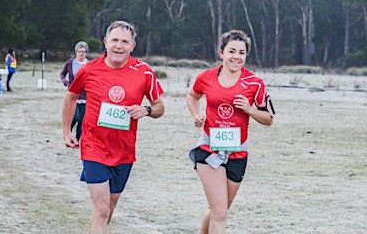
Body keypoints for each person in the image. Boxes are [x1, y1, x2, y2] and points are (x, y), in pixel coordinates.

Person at [62, 20, 165, 233]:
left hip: (124, 151)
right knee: (101, 209)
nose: (119, 46)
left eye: (125, 42)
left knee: (108, 209)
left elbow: (159, 107)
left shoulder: (143, 71)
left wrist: (145, 110)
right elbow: (71, 97)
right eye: (115, 40)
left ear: (132, 46)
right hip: (93, 147)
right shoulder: (89, 69)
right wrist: (66, 131)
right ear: (106, 42)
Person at [186, 29, 275, 233]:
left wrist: (249, 109)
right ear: (221, 52)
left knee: (221, 209)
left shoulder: (255, 83)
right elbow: (192, 95)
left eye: (241, 53)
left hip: (238, 152)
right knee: (220, 212)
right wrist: (196, 115)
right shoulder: (206, 78)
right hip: (209, 149)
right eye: (232, 51)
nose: (236, 57)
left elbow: (268, 119)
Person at [59, 41, 90, 143]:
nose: (81, 53)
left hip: (85, 96)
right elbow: (62, 74)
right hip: (73, 94)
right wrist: (64, 81)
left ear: (86, 53)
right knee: (75, 117)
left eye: (83, 51)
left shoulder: (89, 64)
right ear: (76, 52)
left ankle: (76, 140)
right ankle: (68, 133)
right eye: (79, 51)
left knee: (82, 120)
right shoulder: (70, 62)